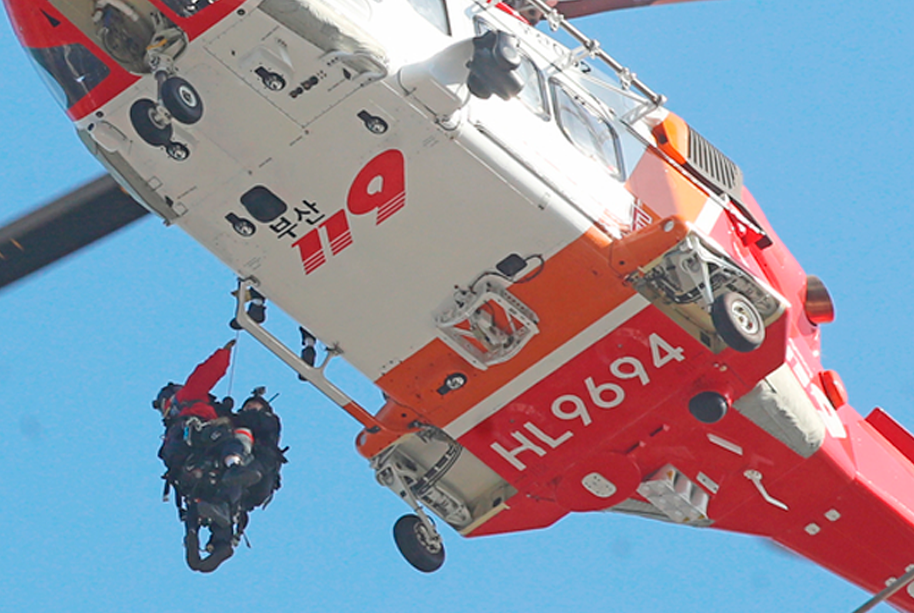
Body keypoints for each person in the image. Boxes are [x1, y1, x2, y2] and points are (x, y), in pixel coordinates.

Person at [152, 342, 286, 572]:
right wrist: (224, 353)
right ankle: (233, 470)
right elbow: (206, 374)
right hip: (205, 441)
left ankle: (210, 541)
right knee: (231, 442)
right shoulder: (188, 398)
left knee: (212, 497)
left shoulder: (172, 428)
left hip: (189, 465)